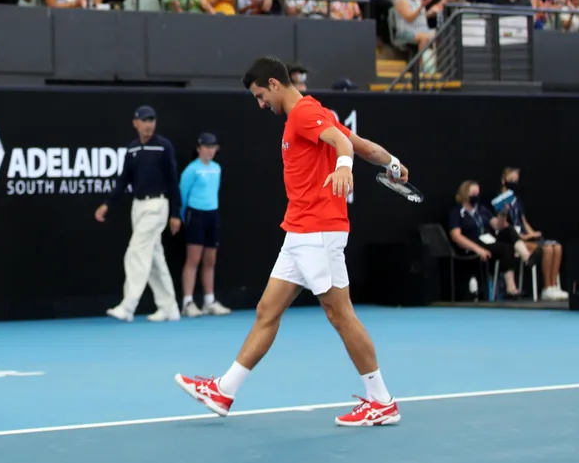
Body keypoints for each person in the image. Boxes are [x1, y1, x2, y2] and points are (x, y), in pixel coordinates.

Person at [175, 56, 408, 427]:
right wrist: (393, 164)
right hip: (299, 230)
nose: (260, 104)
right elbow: (363, 145)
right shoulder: (318, 113)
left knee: (340, 313)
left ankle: (382, 401)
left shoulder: (303, 114)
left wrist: (343, 167)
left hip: (318, 230)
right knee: (268, 310)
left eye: (259, 95)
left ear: (274, 83)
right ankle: (225, 389)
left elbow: (343, 146)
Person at [94, 104, 182, 323]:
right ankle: (169, 307)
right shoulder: (132, 149)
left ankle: (128, 306)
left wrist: (175, 213)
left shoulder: (163, 147)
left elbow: (173, 181)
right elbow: (124, 180)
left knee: (136, 252)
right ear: (136, 123)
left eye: (152, 120)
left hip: (157, 206)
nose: (149, 125)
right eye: (145, 120)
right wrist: (107, 203)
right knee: (153, 258)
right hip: (138, 207)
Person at [179, 133, 231, 318]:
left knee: (210, 260)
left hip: (212, 215)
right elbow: (182, 194)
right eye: (206, 146)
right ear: (199, 148)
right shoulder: (191, 170)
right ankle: (188, 302)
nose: (210, 150)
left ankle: (209, 301)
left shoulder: (217, 168)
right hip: (196, 215)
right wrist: (181, 216)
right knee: (193, 260)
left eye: (213, 147)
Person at [498, 168, 567, 301]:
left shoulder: (517, 200)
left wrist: (532, 233)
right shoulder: (499, 201)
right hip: (512, 240)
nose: (514, 183)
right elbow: (504, 226)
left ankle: (553, 286)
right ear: (503, 180)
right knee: (546, 249)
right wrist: (524, 237)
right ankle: (546, 288)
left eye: (516, 180)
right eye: (511, 180)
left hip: (525, 236)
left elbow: (523, 221)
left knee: (556, 247)